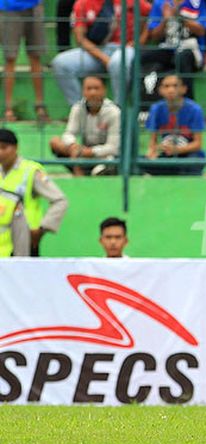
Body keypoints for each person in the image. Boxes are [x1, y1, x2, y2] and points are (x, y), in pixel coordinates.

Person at [51, 0, 152, 106]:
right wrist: (104, 58)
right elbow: (80, 38)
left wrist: (139, 41)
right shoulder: (82, 3)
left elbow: (152, 16)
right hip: (95, 51)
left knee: (118, 62)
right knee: (60, 63)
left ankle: (118, 109)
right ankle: (80, 110)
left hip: (125, 49)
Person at [0, 129, 68, 257]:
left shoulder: (30, 171)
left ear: (16, 147)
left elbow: (60, 200)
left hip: (25, 238)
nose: (0, 152)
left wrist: (42, 229)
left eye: (4, 147)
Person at [139, 0, 206, 106]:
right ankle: (144, 106)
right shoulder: (160, 3)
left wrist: (179, 16)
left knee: (182, 57)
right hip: (168, 48)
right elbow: (154, 35)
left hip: (191, 50)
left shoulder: (198, 3)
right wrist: (165, 20)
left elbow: (202, 31)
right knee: (144, 57)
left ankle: (188, 105)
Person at [49, 75, 121, 176]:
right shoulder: (78, 108)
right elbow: (68, 133)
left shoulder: (114, 112)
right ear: (83, 91)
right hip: (82, 152)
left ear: (104, 91)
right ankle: (78, 173)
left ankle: (84, 174)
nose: (92, 93)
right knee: (55, 142)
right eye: (89, 89)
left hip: (104, 155)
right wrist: (73, 146)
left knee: (106, 166)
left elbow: (113, 148)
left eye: (96, 88)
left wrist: (90, 151)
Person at [145, 74, 206, 176]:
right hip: (167, 152)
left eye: (175, 86)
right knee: (141, 163)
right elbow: (152, 143)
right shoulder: (156, 109)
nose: (171, 90)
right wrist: (153, 152)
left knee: (194, 161)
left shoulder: (195, 109)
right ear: (160, 90)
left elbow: (197, 144)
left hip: (189, 153)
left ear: (183, 89)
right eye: (166, 86)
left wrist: (176, 150)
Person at [0, 0, 49, 122]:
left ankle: (40, 106)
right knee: (10, 58)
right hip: (9, 7)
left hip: (35, 5)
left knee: (36, 56)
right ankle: (8, 109)